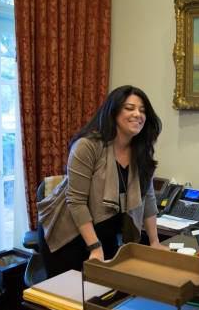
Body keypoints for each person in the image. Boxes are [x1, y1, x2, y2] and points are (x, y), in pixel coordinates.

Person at [39, 85, 165, 278]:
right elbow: (76, 202)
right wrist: (95, 247)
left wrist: (154, 242)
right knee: (73, 294)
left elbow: (147, 198)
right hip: (69, 235)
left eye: (142, 110)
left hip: (104, 234)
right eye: (129, 108)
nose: (138, 114)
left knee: (108, 291)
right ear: (113, 112)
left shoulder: (140, 150)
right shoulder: (88, 146)